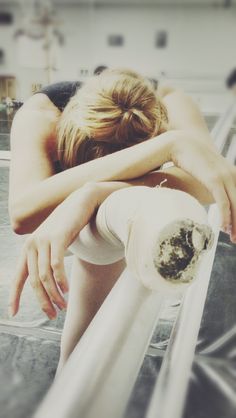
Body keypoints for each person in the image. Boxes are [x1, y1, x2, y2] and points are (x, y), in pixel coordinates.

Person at [8, 68, 236, 373]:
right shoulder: (42, 117)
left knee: (104, 252)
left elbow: (214, 182)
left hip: (118, 179)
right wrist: (169, 146)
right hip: (91, 160)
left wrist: (96, 193)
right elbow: (23, 214)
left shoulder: (172, 103)